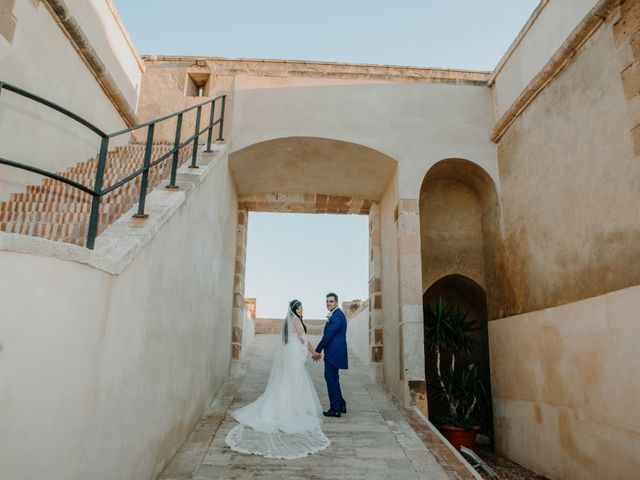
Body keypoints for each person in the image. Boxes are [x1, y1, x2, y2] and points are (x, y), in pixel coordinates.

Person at [225, 299, 330, 459]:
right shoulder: (296, 321)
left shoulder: (291, 321)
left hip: (292, 352)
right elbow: (304, 339)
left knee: (290, 379)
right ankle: (291, 409)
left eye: (301, 307)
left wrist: (311, 351)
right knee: (295, 379)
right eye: (298, 308)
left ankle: (287, 406)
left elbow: (299, 339)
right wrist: (314, 352)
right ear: (294, 310)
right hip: (295, 353)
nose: (301, 310)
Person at [312, 292, 348, 417]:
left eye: (331, 301)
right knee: (333, 378)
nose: (328, 303)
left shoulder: (337, 316)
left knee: (331, 379)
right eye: (327, 301)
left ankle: (336, 409)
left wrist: (317, 350)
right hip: (334, 352)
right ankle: (341, 403)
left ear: (337, 302)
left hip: (334, 353)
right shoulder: (335, 315)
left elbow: (328, 336)